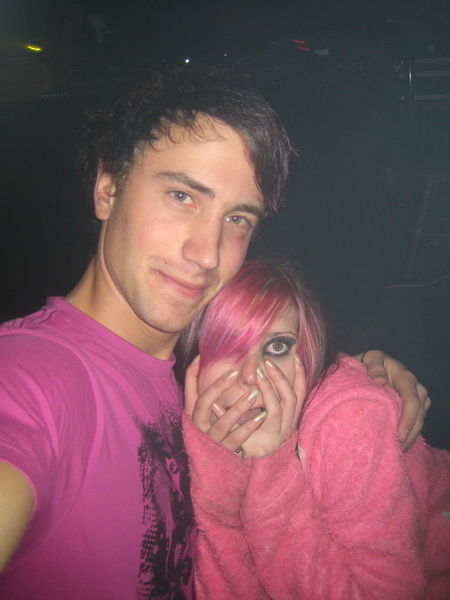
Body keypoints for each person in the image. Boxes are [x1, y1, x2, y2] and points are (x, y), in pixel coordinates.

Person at [0, 65, 429, 599]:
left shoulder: (198, 374)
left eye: (237, 220)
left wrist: (354, 374)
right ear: (107, 187)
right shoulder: (30, 376)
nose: (207, 254)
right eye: (182, 196)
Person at [182, 258, 450, 600]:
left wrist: (275, 475)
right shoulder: (190, 430)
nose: (252, 376)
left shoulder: (349, 418)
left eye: (276, 347)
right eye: (230, 345)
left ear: (306, 351)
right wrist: (218, 486)